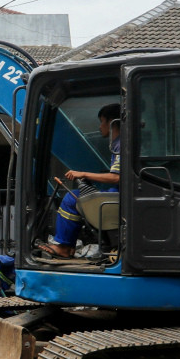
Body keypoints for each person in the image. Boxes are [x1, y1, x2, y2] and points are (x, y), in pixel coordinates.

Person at [42, 103, 121, 258]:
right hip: (118, 194)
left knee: (71, 199)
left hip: (118, 197)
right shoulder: (119, 143)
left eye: (102, 122)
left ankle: (65, 246)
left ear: (112, 122)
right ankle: (67, 246)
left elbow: (116, 177)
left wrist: (82, 173)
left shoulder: (120, 144)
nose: (100, 127)